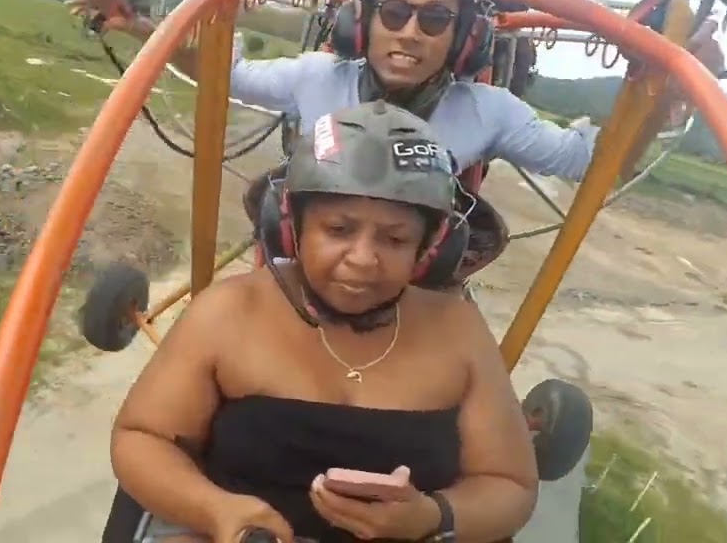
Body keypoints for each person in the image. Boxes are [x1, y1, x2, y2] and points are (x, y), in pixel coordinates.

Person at [111, 101, 539, 543]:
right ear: (292, 226)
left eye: (394, 239)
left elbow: (509, 485)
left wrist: (432, 517)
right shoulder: (228, 313)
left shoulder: (458, 330)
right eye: (338, 229)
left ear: (428, 247)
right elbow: (143, 437)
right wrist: (218, 510)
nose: (363, 259)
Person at [67, 0, 726, 183]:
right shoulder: (320, 78)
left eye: (435, 18)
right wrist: (136, 26)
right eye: (396, 12)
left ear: (463, 39)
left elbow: (593, 164)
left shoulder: (487, 111)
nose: (411, 32)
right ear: (364, 20)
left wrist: (668, 96)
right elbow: (225, 74)